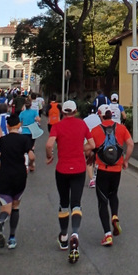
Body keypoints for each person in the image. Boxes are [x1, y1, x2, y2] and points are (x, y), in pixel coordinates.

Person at [45, 100, 94, 264]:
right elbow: (92, 144)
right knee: (76, 204)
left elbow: (49, 143)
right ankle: (75, 234)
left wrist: (49, 155)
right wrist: (82, 149)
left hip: (62, 169)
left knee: (64, 203)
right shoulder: (82, 125)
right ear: (75, 111)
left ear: (63, 112)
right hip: (79, 169)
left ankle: (64, 236)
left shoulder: (57, 126)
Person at [0, 114, 35, 250]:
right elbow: (31, 156)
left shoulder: (2, 140)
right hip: (19, 176)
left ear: (7, 126)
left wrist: (0, 155)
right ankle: (12, 238)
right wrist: (31, 163)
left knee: (5, 207)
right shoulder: (24, 140)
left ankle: (1, 221)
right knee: (15, 206)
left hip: (4, 175)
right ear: (19, 125)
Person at [90, 104, 134, 246]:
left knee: (102, 201)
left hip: (102, 169)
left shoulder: (95, 130)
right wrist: (125, 161)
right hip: (117, 169)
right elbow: (131, 144)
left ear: (100, 115)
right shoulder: (121, 128)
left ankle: (107, 235)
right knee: (113, 194)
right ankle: (115, 215)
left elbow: (88, 147)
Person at [19, 97, 40, 170]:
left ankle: (25, 163)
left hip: (24, 131)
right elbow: (38, 119)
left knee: (25, 148)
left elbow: (19, 122)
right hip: (32, 131)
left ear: (25, 105)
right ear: (31, 105)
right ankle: (32, 164)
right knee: (31, 147)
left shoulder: (22, 113)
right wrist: (35, 120)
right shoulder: (34, 112)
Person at [84, 108, 102, 188]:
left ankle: (92, 180)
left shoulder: (85, 120)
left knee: (89, 160)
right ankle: (97, 175)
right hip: (98, 141)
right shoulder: (99, 118)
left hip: (89, 142)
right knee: (98, 159)